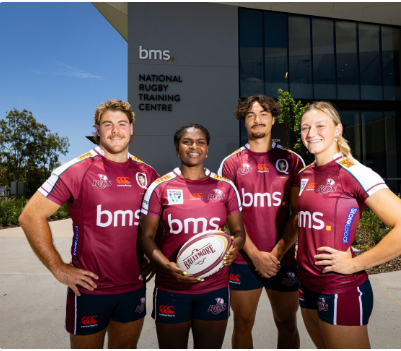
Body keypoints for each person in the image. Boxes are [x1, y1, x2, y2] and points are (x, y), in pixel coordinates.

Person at [19, 100, 159, 348]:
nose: (115, 130)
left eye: (122, 124)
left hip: (133, 286)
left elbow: (162, 220)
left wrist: (156, 255)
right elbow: (30, 216)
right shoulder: (76, 170)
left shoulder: (147, 173)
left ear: (132, 129)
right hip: (90, 289)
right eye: (108, 124)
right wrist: (59, 268)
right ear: (97, 130)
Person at [296, 101, 401, 349]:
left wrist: (355, 263)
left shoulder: (355, 172)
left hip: (339, 288)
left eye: (320, 125)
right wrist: (303, 244)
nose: (311, 133)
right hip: (306, 284)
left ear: (337, 129)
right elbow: (308, 217)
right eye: (305, 127)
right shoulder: (305, 174)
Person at [138, 123, 246, 349]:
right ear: (177, 149)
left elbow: (238, 232)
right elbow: (146, 237)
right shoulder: (160, 187)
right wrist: (166, 266)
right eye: (187, 142)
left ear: (207, 149)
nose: (194, 147)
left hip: (214, 288)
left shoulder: (225, 187)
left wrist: (234, 247)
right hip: (171, 289)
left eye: (200, 142)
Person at [218, 95, 305, 349]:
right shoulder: (231, 163)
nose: (258, 119)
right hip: (244, 259)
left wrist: (276, 254)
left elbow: (298, 213)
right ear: (244, 121)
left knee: (287, 322)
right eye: (251, 115)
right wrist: (256, 256)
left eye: (263, 113)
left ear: (273, 119)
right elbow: (228, 216)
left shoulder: (292, 161)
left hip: (284, 258)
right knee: (243, 323)